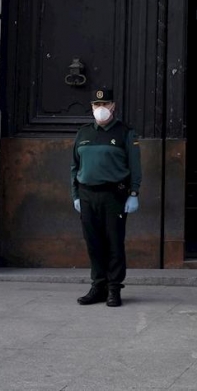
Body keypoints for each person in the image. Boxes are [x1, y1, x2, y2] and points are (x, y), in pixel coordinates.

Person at [70, 88, 142, 307]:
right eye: (95, 105)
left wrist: (134, 193)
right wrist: (75, 195)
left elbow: (135, 167)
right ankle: (98, 286)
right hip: (87, 194)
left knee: (113, 243)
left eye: (104, 105)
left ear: (113, 106)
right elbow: (75, 166)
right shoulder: (83, 133)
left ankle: (114, 289)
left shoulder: (125, 133)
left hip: (114, 195)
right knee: (93, 243)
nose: (100, 109)